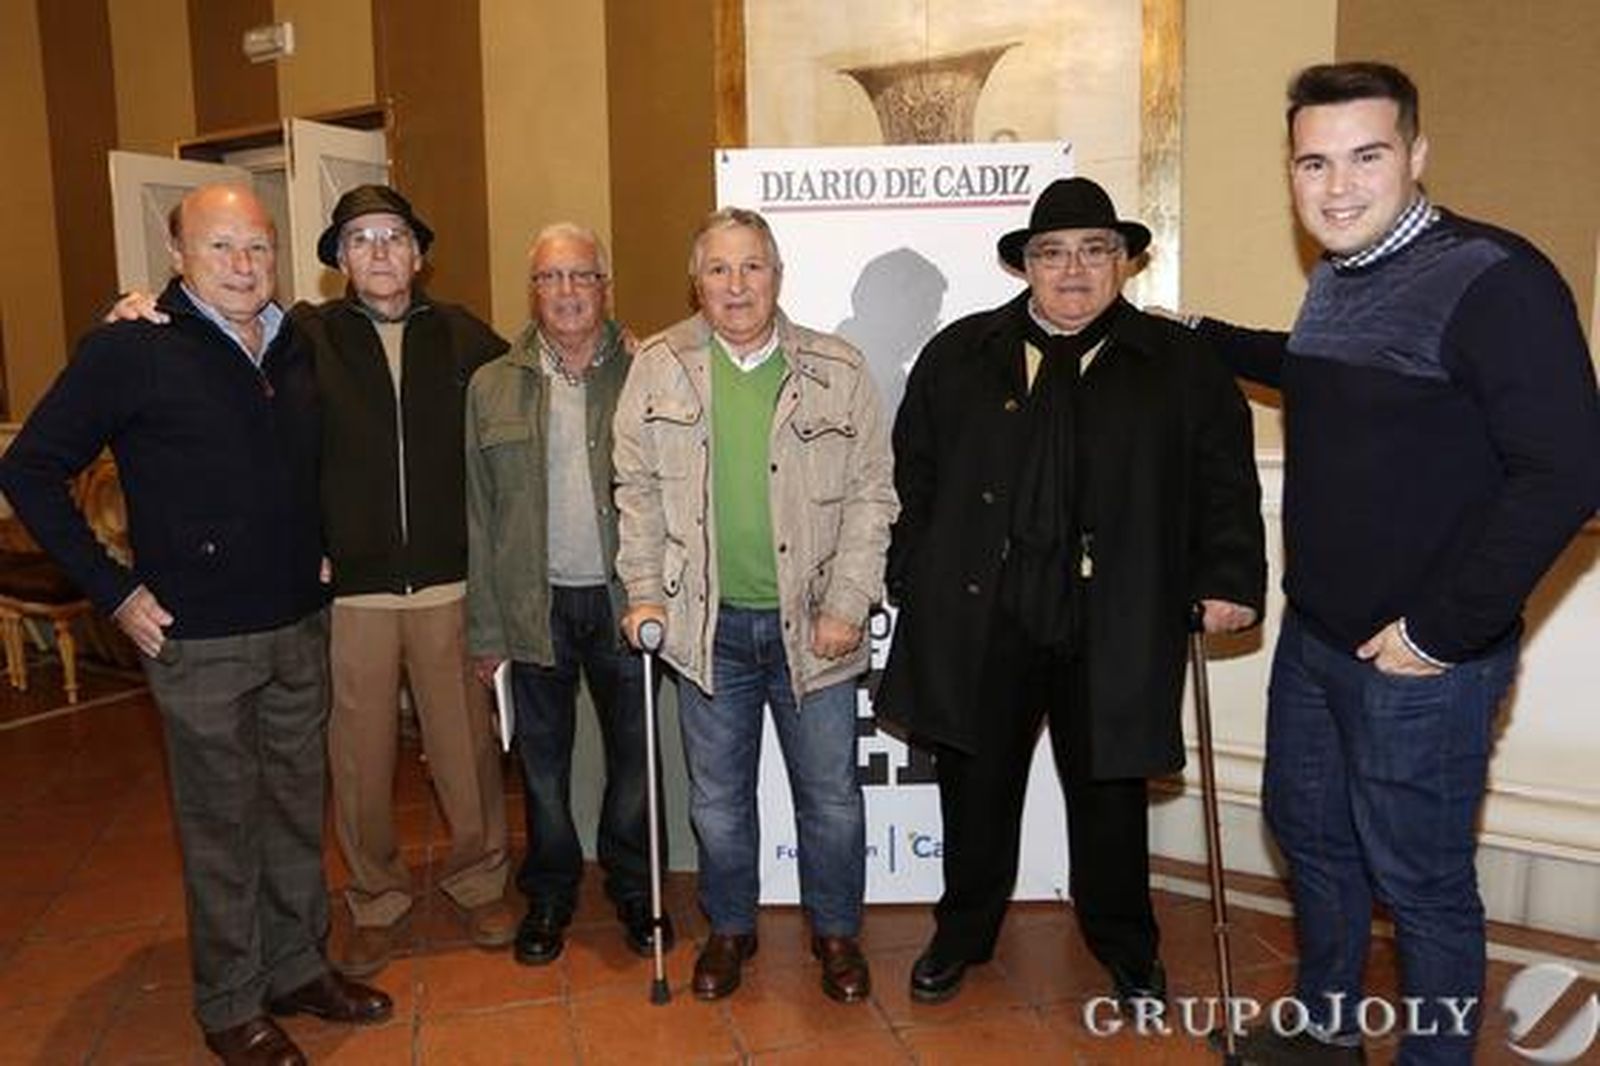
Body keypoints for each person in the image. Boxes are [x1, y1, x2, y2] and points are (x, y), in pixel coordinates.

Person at [1187, 63, 1600, 1064]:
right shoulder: (1341, 274)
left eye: (1366, 157)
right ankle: (1328, 1031)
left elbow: (1568, 471)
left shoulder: (1495, 278)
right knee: (1309, 830)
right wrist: (1199, 337)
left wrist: (1438, 631)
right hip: (1319, 638)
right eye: (1313, 161)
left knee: (1420, 883)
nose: (1336, 186)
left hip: (1420, 662)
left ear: (1416, 156)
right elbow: (1322, 373)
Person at [0, 184, 391, 1066]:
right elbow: (30, 470)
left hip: (297, 622)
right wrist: (114, 591)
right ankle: (229, 1004)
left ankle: (296, 968)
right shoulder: (130, 348)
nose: (245, 267)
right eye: (221, 249)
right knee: (222, 826)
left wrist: (321, 546)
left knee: (296, 810)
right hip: (196, 638)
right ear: (178, 256)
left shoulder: (292, 340)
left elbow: (306, 457)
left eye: (258, 248)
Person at [876, 177, 1266, 1010]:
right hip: (986, 614)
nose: (1074, 270)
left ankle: (1126, 947)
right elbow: (912, 474)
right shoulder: (959, 353)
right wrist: (912, 567)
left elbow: (1225, 480)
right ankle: (962, 933)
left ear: (1123, 261)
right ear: (1027, 267)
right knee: (974, 789)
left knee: (1110, 796)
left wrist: (1229, 579)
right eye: (1052, 253)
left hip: (1115, 616)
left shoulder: (1180, 364)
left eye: (1095, 250)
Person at [111, 184, 517, 978]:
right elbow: (208, 336)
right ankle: (376, 899)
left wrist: (614, 342)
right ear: (337, 259)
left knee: (464, 750)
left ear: (418, 253)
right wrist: (133, 309)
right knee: (358, 759)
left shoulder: (465, 335)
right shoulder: (301, 336)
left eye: (393, 236)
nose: (378, 252)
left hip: (449, 587)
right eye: (359, 239)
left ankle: (480, 881)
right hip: (349, 594)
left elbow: (535, 380)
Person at [612, 208, 897, 1003]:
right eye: (719, 270)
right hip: (706, 630)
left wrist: (847, 600)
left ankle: (836, 934)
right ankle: (730, 930)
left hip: (816, 626)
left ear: (777, 276)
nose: (736, 286)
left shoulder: (838, 367)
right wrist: (641, 593)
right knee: (718, 801)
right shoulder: (659, 367)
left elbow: (875, 495)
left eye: (752, 268)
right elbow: (633, 491)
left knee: (832, 798)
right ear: (695, 281)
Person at [465, 223, 671, 965]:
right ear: (534, 291)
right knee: (544, 769)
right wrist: (485, 630)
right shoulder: (492, 384)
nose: (567, 292)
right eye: (551, 278)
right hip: (533, 607)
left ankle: (634, 886)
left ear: (604, 286)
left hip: (626, 604)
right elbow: (478, 514)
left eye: (581, 276)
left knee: (635, 762)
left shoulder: (649, 371)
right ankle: (550, 892)